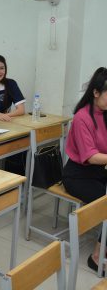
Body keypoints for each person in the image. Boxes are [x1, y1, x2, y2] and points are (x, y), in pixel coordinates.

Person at [62, 67, 107, 274]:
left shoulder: (104, 113)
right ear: (96, 92)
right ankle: (96, 256)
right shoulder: (82, 117)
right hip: (78, 175)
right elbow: (91, 156)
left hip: (98, 171)